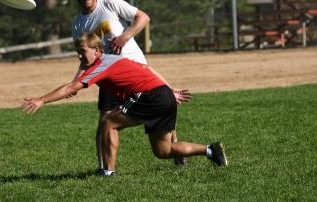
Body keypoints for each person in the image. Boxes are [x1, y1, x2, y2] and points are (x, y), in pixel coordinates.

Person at [22, 33, 228, 176]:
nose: (79, 56)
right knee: (163, 151)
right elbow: (147, 68)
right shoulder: (113, 59)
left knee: (109, 121)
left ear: (97, 51)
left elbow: (71, 87)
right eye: (77, 51)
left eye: (82, 51)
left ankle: (108, 172)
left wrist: (42, 100)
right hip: (162, 95)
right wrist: (169, 91)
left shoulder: (100, 64)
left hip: (151, 96)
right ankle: (211, 150)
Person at [68, 0, 186, 171]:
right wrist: (75, 82)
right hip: (108, 76)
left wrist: (124, 37)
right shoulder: (77, 24)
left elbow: (143, 17)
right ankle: (103, 168)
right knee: (104, 120)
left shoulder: (111, 4)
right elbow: (85, 56)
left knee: (162, 109)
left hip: (136, 71)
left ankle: (177, 151)